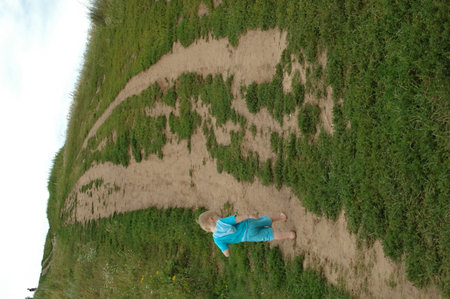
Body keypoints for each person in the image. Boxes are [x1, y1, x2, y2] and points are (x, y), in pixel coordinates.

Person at [197, 211, 296, 257]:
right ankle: (282, 218)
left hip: (248, 236)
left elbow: (226, 252)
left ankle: (290, 235)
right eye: (217, 215)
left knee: (270, 235)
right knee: (265, 220)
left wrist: (228, 254)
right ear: (211, 219)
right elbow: (237, 219)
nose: (219, 216)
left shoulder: (217, 239)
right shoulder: (221, 222)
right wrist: (248, 215)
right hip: (248, 223)